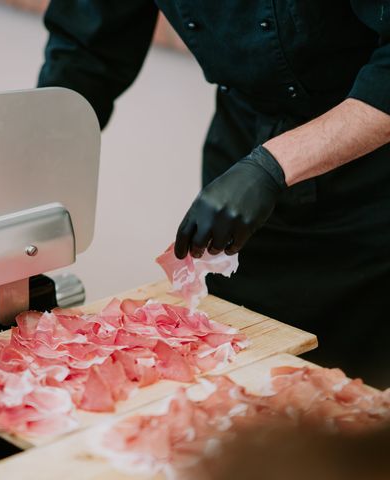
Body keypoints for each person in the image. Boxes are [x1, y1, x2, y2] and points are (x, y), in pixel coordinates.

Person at [37, 1, 390, 387]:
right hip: (245, 170)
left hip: (370, 189)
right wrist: (38, 160)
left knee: (360, 407)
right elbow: (87, 45)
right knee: (242, 384)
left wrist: (272, 166)